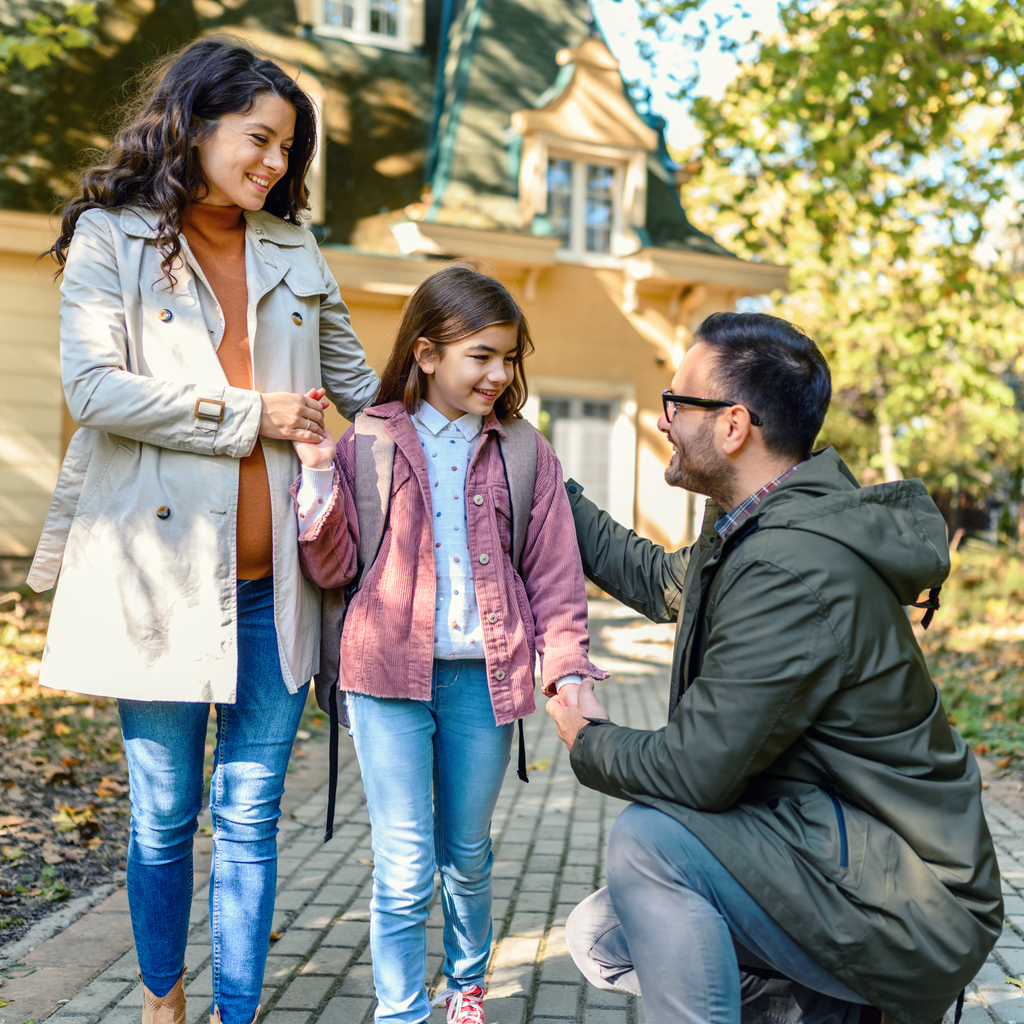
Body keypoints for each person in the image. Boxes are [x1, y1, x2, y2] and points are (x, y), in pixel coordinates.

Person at [26, 37, 379, 1024]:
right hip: (157, 588)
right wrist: (249, 414)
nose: (273, 165)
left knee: (253, 817)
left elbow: (364, 392)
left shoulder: (293, 249)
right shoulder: (111, 237)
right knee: (164, 817)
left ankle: (234, 1010)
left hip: (280, 596)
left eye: (286, 151)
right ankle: (160, 997)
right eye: (258, 140)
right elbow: (94, 389)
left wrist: (481, 422)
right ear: (196, 120)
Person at [546, 312, 1002, 1024]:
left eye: (677, 403)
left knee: (650, 845)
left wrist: (587, 739)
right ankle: (823, 1007)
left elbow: (697, 772)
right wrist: (550, 491)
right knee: (604, 933)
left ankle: (850, 1004)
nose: (664, 420)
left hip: (909, 901)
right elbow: (657, 578)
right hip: (841, 852)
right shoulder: (764, 531)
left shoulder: (791, 567)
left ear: (733, 425)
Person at [292, 264, 607, 1024]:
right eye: (482, 356)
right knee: (402, 870)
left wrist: (567, 672)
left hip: (484, 682)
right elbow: (330, 566)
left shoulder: (527, 452)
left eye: (509, 358)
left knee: (466, 858)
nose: (500, 374)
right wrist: (312, 476)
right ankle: (400, 1012)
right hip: (383, 679)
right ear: (427, 354)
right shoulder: (365, 442)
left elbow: (558, 581)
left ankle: (466, 987)